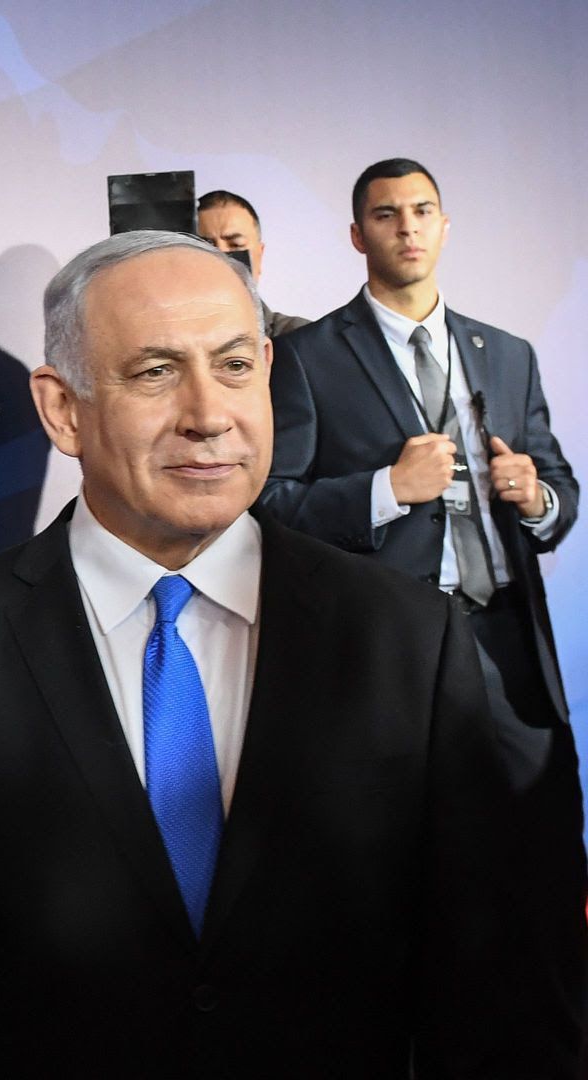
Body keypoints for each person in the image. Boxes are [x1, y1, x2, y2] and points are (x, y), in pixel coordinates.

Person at [0, 230, 561, 1077]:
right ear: (63, 409)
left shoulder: (406, 636)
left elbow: (489, 974)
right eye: (154, 372)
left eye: (236, 366)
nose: (209, 414)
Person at [259, 156, 585, 1063]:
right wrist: (381, 490)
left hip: (505, 645)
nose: (407, 226)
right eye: (386, 214)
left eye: (422, 210)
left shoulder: (505, 352)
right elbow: (270, 505)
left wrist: (537, 496)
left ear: (444, 226)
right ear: (356, 235)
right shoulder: (311, 358)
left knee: (533, 864)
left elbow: (559, 484)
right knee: (405, 873)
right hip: (385, 656)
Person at [196, 189, 309, 337]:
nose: (221, 257)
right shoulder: (164, 338)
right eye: (206, 246)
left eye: (236, 245)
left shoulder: (300, 337)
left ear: (260, 254)